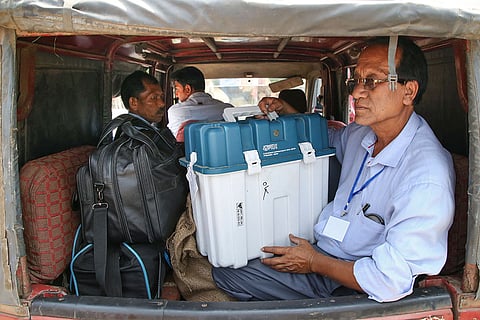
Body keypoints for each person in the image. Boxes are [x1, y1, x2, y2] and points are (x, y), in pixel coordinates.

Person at [212, 36, 455, 303]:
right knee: (231, 262)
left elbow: (389, 280)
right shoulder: (361, 134)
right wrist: (287, 113)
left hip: (352, 283)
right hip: (322, 249)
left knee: (228, 276)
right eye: (356, 81)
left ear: (408, 91)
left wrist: (314, 263)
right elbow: (320, 141)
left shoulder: (425, 177)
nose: (355, 93)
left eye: (371, 82)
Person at [167, 66, 232, 141]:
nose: (176, 94)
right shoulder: (226, 109)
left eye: (177, 89)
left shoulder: (176, 111)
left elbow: (173, 140)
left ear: (188, 89)